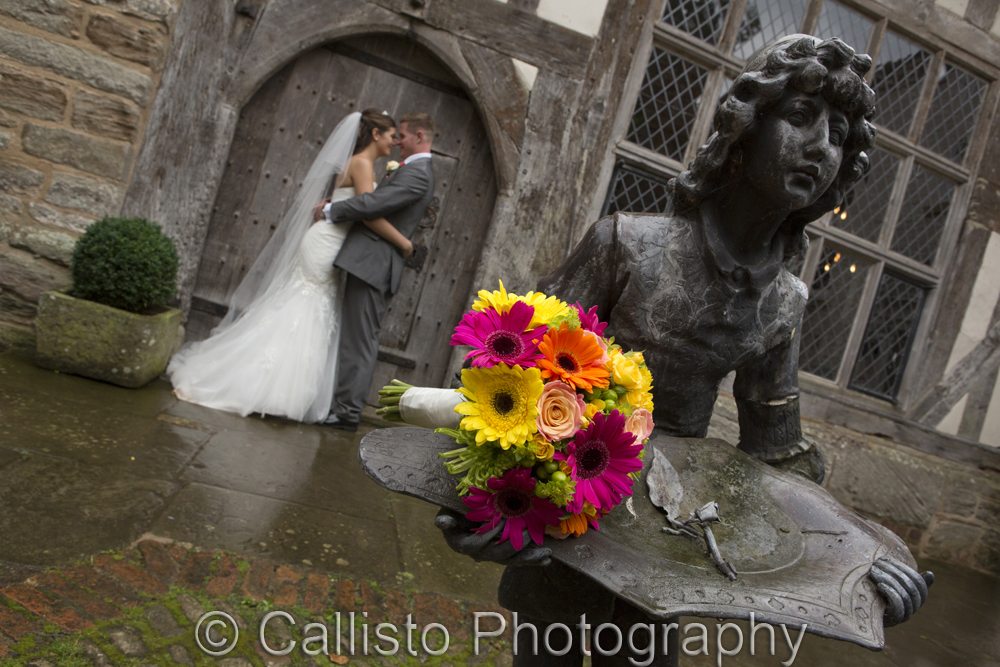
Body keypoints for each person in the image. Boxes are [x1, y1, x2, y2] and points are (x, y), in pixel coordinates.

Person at [434, 36, 932, 665]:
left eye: (837, 136)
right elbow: (505, 374)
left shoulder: (784, 301)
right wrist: (482, 505)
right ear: (745, 131)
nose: (820, 148)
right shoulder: (627, 244)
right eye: (800, 118)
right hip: (565, 506)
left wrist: (859, 558)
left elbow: (778, 457)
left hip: (667, 541)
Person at [168, 109, 413, 422]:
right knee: (305, 306)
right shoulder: (363, 163)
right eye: (391, 135)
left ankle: (278, 388)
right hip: (327, 245)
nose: (394, 142)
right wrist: (403, 243)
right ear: (376, 134)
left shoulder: (356, 162)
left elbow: (349, 205)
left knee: (303, 305)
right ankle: (269, 389)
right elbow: (367, 213)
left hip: (326, 240)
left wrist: (331, 206)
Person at [319, 113, 437, 431]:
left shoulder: (418, 174)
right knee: (357, 337)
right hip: (369, 263)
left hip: (374, 264)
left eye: (403, 136)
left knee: (359, 340)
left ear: (419, 136)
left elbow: (372, 205)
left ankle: (347, 412)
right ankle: (343, 407)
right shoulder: (412, 169)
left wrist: (331, 210)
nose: (398, 142)